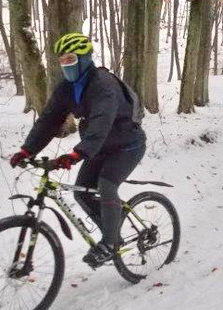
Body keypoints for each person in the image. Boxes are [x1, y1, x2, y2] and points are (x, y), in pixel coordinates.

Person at [9, 33, 147, 268]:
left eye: (70, 60)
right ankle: (113, 232)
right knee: (81, 192)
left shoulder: (104, 84)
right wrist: (27, 150)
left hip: (127, 144)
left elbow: (102, 122)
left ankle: (110, 243)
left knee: (107, 185)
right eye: (62, 61)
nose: (66, 66)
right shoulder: (67, 88)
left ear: (84, 59)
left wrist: (77, 153)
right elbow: (50, 120)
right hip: (100, 148)